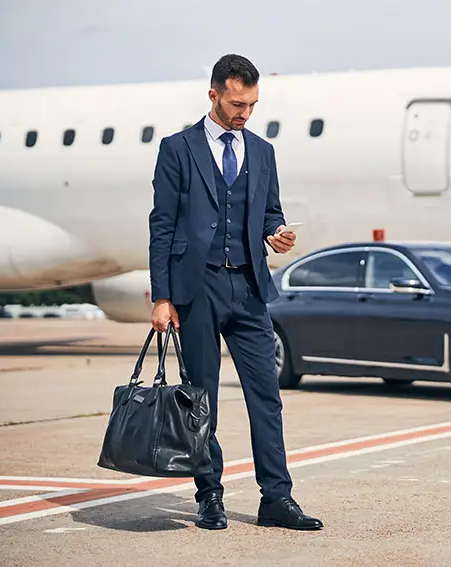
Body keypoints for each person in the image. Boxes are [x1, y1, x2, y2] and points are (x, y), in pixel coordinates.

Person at [148, 53, 322, 531]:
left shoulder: (263, 152)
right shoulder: (177, 148)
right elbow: (162, 225)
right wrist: (161, 296)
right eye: (236, 103)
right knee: (202, 399)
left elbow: (269, 212)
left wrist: (276, 232)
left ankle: (277, 499)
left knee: (266, 395)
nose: (244, 113)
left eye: (251, 104)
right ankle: (210, 495)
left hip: (248, 287)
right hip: (196, 288)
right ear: (213, 95)